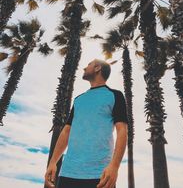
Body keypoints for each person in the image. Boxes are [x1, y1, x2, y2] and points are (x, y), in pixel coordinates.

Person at [44, 59, 128, 188]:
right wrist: (53, 162)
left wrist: (114, 166)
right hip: (67, 173)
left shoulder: (115, 95)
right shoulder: (79, 100)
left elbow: (122, 130)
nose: (84, 68)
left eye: (88, 64)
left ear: (97, 68)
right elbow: (66, 131)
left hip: (100, 175)